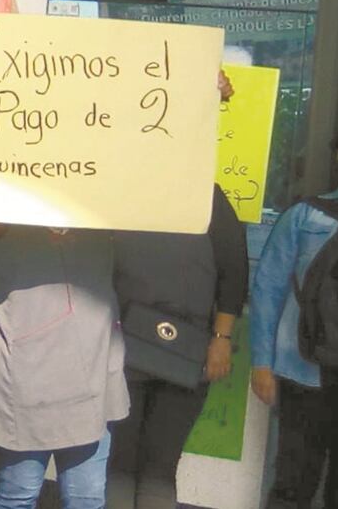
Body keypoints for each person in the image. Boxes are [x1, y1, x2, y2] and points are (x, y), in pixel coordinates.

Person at [0, 84, 129, 509]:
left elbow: (168, 182)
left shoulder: (105, 203)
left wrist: (199, 108)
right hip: (24, 380)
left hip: (95, 375)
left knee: (86, 498)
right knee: (17, 496)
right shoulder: (3, 209)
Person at [109, 184, 248, 508]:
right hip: (122, 348)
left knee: (160, 466)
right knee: (119, 463)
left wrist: (221, 339)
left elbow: (235, 272)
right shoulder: (118, 186)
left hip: (187, 351)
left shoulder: (206, 193)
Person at [251, 124, 338, 509]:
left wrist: (265, 362)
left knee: (303, 483)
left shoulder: (303, 215)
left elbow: (267, 287)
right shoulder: (302, 215)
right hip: (303, 370)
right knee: (312, 482)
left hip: (304, 369)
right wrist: (262, 364)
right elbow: (268, 290)